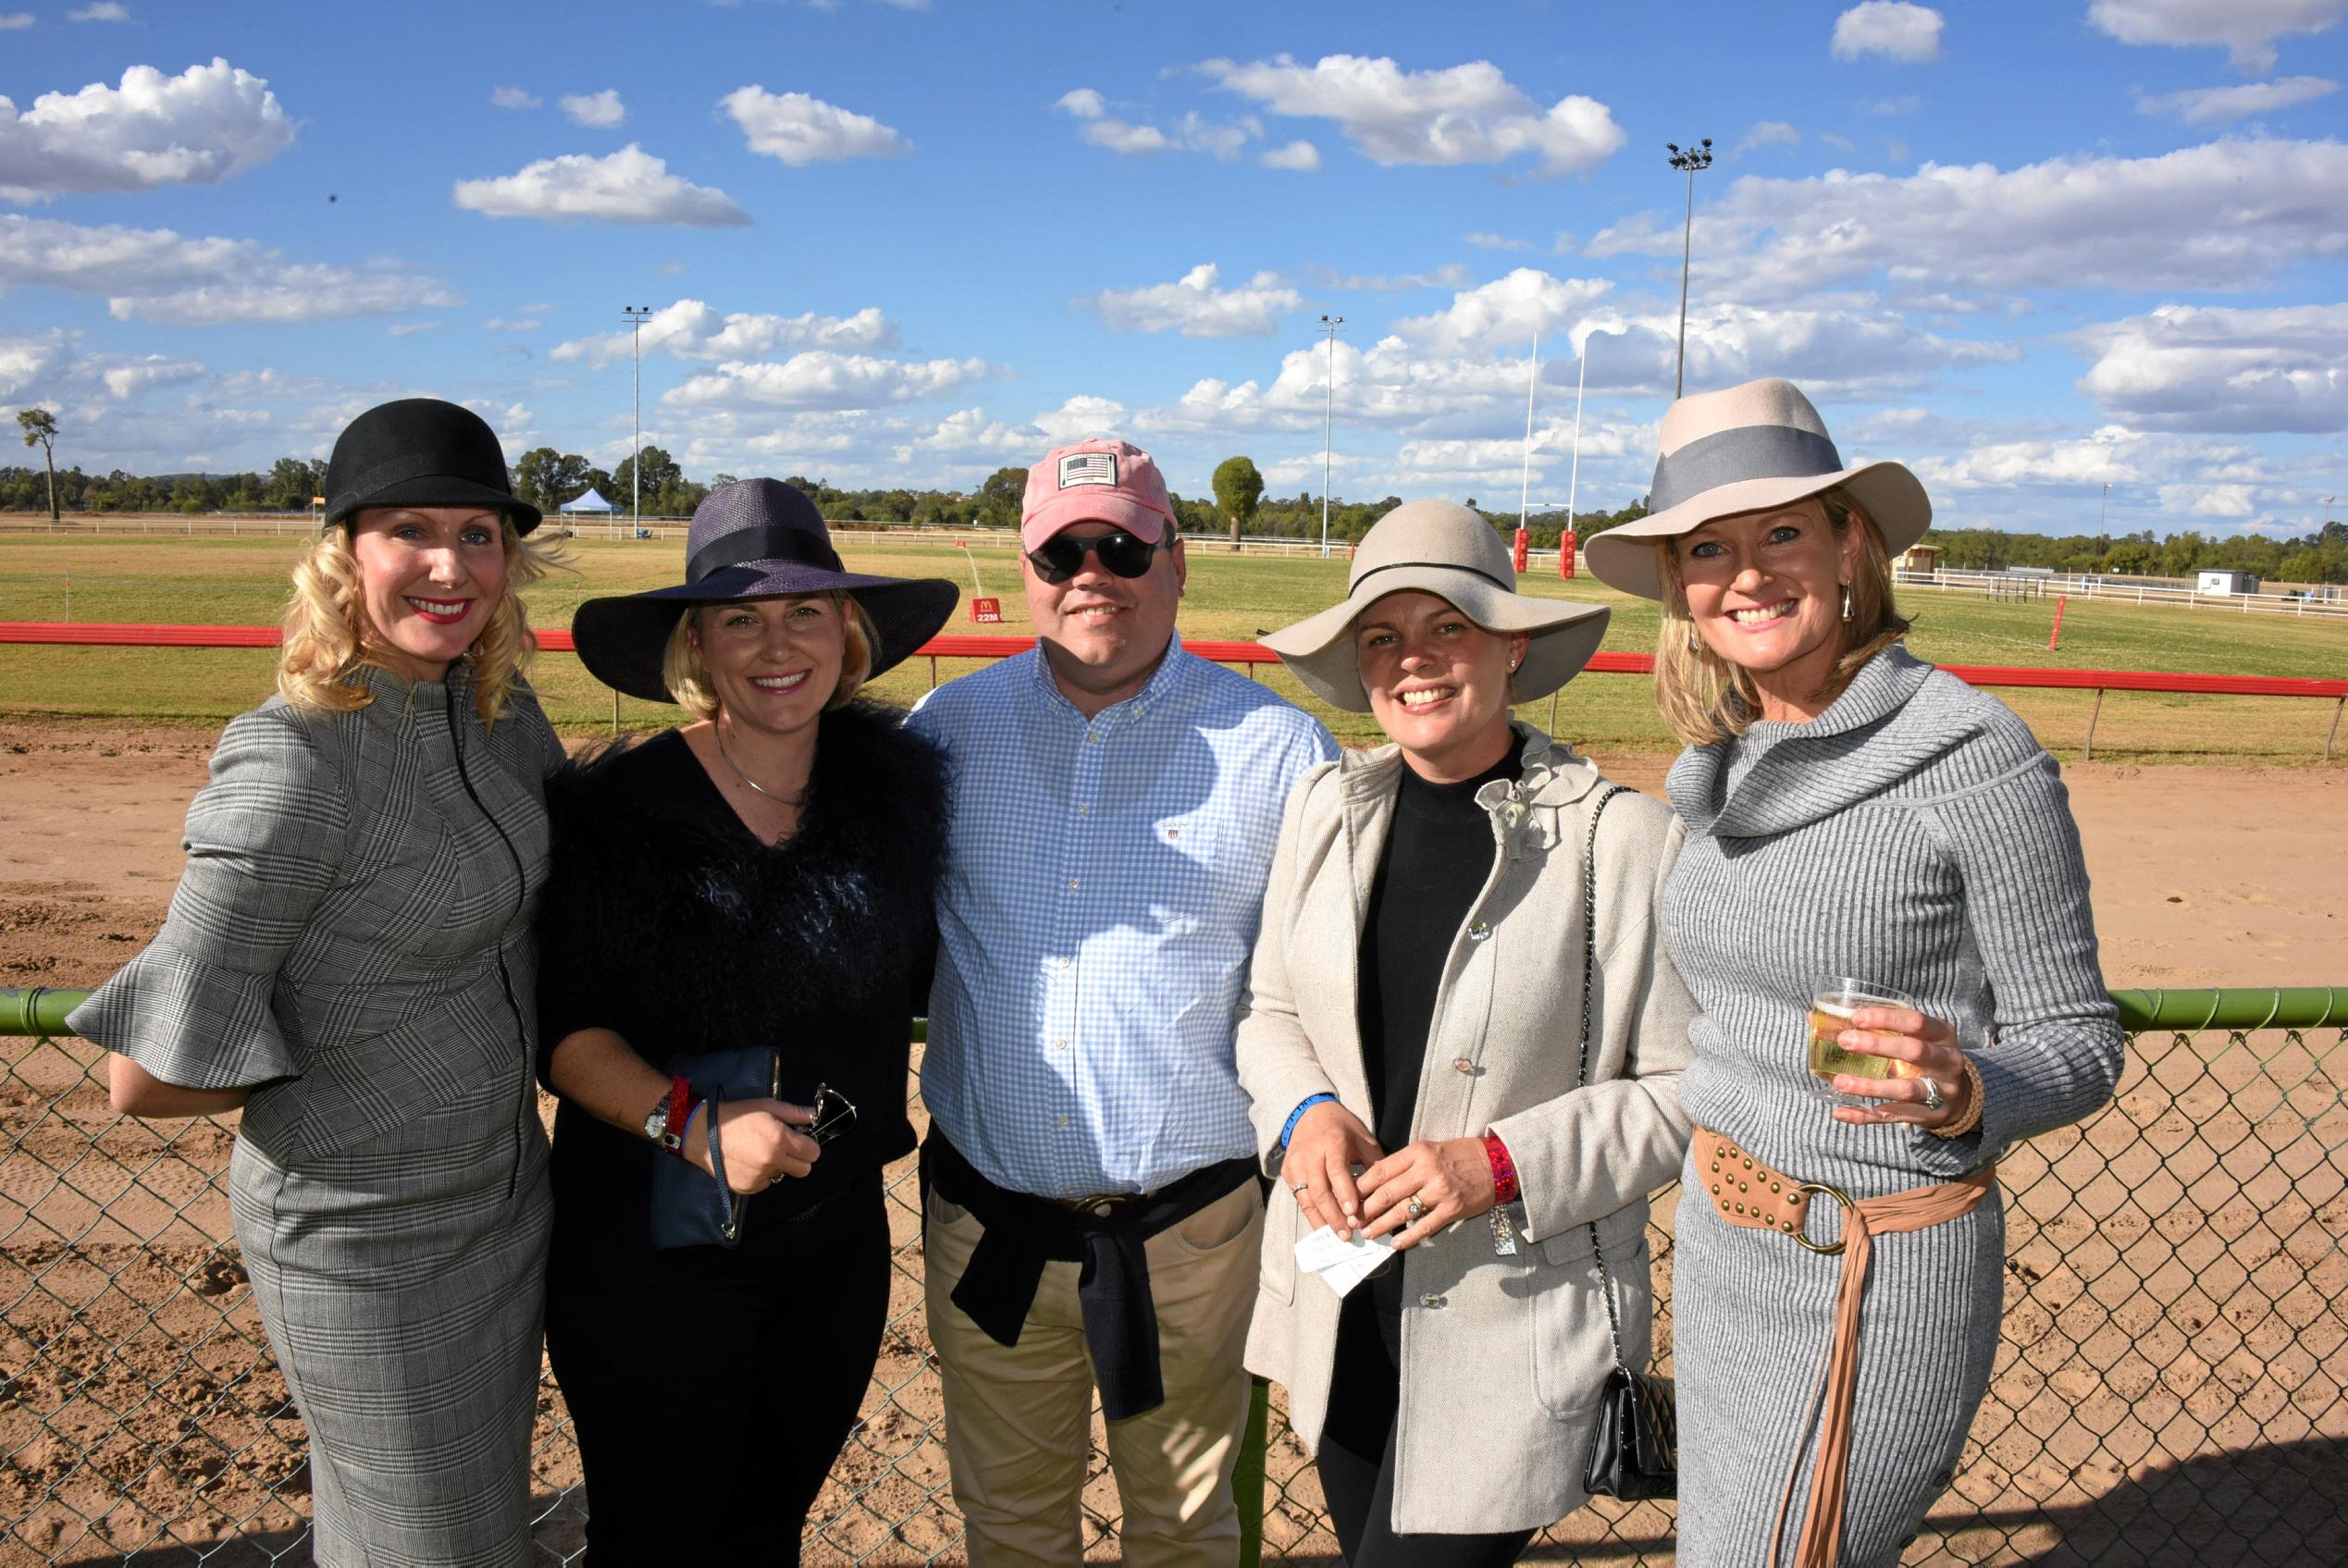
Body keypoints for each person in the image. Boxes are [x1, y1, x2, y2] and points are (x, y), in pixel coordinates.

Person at [1585, 378, 2126, 1568]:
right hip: (1725, 1243)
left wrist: (1968, 1087)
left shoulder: (1974, 755)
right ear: (1679, 585)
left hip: (1869, 1259)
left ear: (1848, 544)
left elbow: (2082, 1042)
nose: (1747, 573)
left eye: (1782, 529)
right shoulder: (1726, 758)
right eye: (1708, 547)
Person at [65, 399, 565, 1565]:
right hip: (362, 1246)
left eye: (480, 534)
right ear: (344, 554)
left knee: (448, 1536)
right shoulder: (291, 757)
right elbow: (145, 1076)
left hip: (507, 1214)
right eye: (410, 531)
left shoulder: (503, 718)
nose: (450, 567)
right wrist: (369, 1081)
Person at [907, 438, 1338, 1564]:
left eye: (1122, 546)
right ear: (1028, 567)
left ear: (1176, 561)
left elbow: (1317, 992)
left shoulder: (1283, 749)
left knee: (1189, 1532)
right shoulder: (943, 734)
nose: (1091, 572)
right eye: (1061, 551)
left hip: (1190, 1237)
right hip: (986, 1226)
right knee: (1009, 1531)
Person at [1241, 500, 1697, 1564]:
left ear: (1512, 645)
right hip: (1342, 1294)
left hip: (1511, 1316)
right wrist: (1304, 1113)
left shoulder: (1618, 841)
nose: (1416, 661)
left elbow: (1686, 1091)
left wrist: (1498, 1162)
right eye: (1384, 637)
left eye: (1450, 627)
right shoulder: (1326, 807)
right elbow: (1268, 1013)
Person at [534, 479, 957, 1565]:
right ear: (697, 648)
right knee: (656, 1538)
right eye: (741, 618)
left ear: (848, 633)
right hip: (652, 1250)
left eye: (806, 611)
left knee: (767, 1531)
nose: (779, 643)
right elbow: (571, 1035)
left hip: (830, 1251)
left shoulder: (897, 792)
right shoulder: (627, 810)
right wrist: (696, 1126)